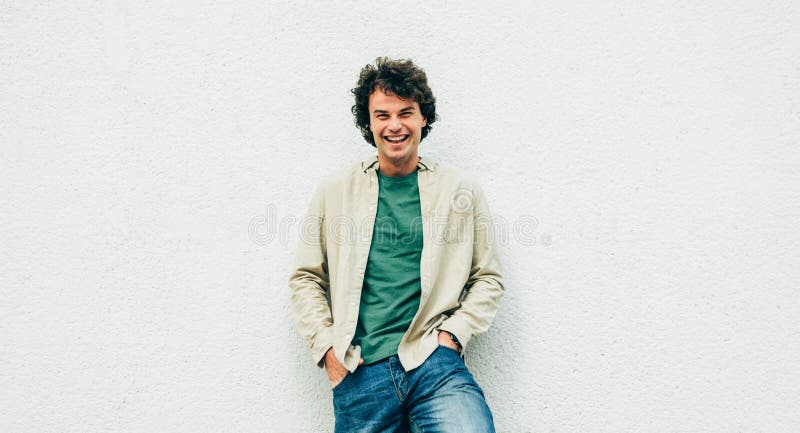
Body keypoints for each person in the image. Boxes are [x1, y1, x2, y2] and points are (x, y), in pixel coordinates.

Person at [289, 57, 505, 433]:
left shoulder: (459, 191)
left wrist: (453, 336)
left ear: (423, 118)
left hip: (433, 364)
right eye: (382, 114)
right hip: (360, 373)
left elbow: (488, 277)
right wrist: (328, 351)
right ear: (368, 122)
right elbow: (305, 278)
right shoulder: (335, 192)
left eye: (406, 112)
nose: (394, 125)